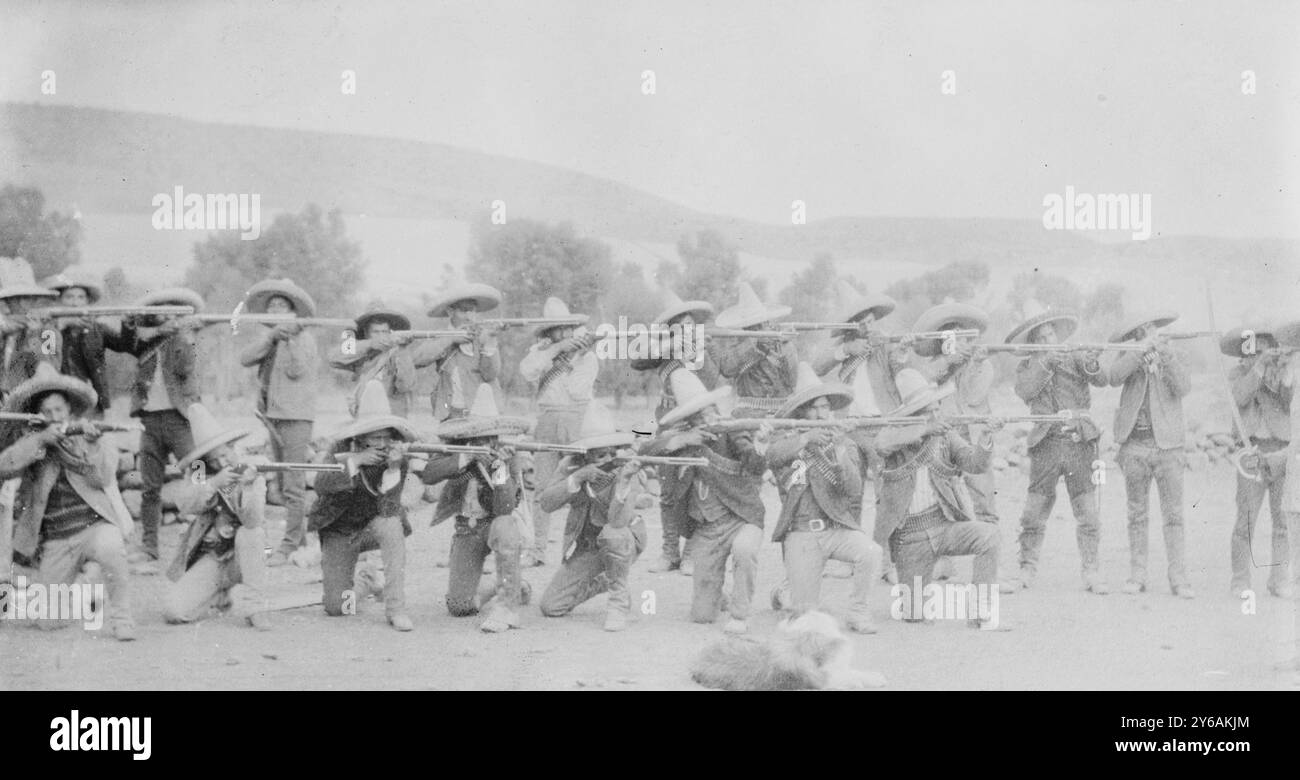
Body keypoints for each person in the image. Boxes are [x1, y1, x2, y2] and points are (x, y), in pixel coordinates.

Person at [0, 364, 135, 640]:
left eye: (58, 410)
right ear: (37, 415)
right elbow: (6, 465)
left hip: (93, 529)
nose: (53, 416)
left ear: (70, 411)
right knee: (50, 621)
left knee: (110, 546)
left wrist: (93, 445)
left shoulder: (89, 435)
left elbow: (102, 478)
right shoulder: (32, 442)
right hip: (57, 540)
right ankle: (87, 581)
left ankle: (122, 618)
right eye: (46, 412)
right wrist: (40, 439)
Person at [872, 368, 1006, 631]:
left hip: (943, 525)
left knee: (989, 536)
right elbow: (881, 444)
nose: (935, 415)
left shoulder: (944, 436)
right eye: (926, 411)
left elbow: (973, 463)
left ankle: (982, 612)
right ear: (911, 415)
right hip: (910, 537)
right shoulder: (895, 435)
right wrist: (924, 430)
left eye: (935, 409)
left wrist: (986, 438)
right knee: (913, 613)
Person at [641, 370, 769, 634]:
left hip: (741, 518)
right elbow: (644, 452)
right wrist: (681, 440)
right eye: (699, 417)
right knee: (701, 616)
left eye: (709, 412)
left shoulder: (732, 432)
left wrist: (760, 445)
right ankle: (716, 592)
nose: (708, 419)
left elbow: (755, 465)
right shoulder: (684, 441)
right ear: (689, 422)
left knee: (744, 551)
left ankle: (740, 613)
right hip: (707, 530)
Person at [1000, 307, 1110, 595]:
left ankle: (1091, 572)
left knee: (1087, 512)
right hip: (1045, 445)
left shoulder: (1074, 355)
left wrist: (1092, 362)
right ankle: (1026, 568)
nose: (1048, 339)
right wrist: (1046, 363)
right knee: (1033, 513)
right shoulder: (1027, 368)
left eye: (1051, 334)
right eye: (1042, 337)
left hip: (1079, 442)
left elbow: (1101, 379)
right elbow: (1025, 392)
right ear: (1034, 343)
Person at [765, 363, 882, 633]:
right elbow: (772, 455)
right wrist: (807, 438)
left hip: (836, 529)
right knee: (807, 619)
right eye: (813, 407)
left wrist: (839, 448)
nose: (820, 414)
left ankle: (858, 611)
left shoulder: (843, 442)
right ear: (802, 412)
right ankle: (785, 592)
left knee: (871, 553)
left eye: (824, 407)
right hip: (802, 534)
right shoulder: (789, 441)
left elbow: (852, 489)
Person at [419, 383, 531, 633]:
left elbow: (505, 507)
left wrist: (501, 468)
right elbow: (428, 475)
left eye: (492, 437)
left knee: (505, 525)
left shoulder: (507, 459)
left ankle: (507, 606)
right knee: (459, 605)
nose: (488, 443)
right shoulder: (455, 451)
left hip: (494, 524)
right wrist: (465, 458)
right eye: (482, 438)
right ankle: (508, 584)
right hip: (466, 530)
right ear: (469, 437)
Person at [810, 290, 905, 582]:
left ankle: (887, 561)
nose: (868, 326)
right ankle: (850, 557)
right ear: (852, 326)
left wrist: (897, 350)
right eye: (861, 322)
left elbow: (901, 368)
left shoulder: (885, 344)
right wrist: (846, 350)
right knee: (849, 493)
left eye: (871, 320)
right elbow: (816, 366)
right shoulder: (847, 348)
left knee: (885, 497)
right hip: (850, 427)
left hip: (880, 427)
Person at [309, 380, 418, 632]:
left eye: (385, 436)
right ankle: (366, 582)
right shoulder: (340, 449)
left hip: (372, 525)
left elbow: (389, 507)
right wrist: (356, 461)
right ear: (361, 436)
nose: (381, 443)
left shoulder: (396, 457)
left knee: (392, 526)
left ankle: (396, 608)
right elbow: (321, 484)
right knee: (338, 607)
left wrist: (392, 469)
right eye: (374, 437)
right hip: (339, 530)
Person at [537, 402, 652, 631]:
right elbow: (546, 503)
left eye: (613, 452)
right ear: (585, 456)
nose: (608, 458)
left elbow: (618, 522)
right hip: (588, 547)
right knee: (551, 606)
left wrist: (625, 481)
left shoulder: (626, 470)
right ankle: (605, 580)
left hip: (623, 539)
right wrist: (577, 478)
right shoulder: (570, 466)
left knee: (613, 533)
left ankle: (618, 604)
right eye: (600, 455)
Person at [1107, 311, 1195, 598]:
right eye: (1140, 331)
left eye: (1150, 330)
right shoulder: (1129, 354)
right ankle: (1138, 574)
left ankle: (1179, 578)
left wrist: (1165, 355)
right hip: (1134, 444)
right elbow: (1113, 376)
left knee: (1174, 516)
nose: (1146, 335)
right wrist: (1139, 351)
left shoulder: (1172, 353)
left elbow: (1183, 387)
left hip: (1168, 446)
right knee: (1136, 514)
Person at [633, 291, 720, 576]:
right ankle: (669, 551)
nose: (686, 329)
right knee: (669, 488)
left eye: (689, 324)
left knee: (700, 488)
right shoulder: (664, 352)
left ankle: (692, 551)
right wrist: (674, 342)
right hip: (670, 423)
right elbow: (637, 358)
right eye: (678, 325)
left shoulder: (706, 350)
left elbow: (712, 381)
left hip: (701, 420)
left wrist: (699, 348)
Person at [162, 403, 272, 629]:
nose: (221, 462)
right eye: (213, 460)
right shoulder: (202, 475)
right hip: (213, 558)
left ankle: (255, 607)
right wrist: (215, 482)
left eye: (224, 453)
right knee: (174, 610)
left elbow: (252, 522)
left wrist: (250, 488)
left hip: (243, 557)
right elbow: (186, 504)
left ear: (232, 447)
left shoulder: (248, 471)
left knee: (251, 534)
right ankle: (219, 596)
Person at [238, 278, 319, 566]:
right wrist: (272, 337)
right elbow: (245, 358)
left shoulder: (304, 339)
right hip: (273, 417)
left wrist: (291, 339)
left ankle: (288, 544)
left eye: (281, 306)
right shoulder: (269, 341)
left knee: (294, 485)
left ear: (293, 312)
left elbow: (297, 370)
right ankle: (300, 541)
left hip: (295, 417)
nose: (275, 311)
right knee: (285, 483)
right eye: (271, 307)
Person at [124, 287, 204, 568]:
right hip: (149, 421)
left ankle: (203, 540)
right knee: (150, 487)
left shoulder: (185, 340)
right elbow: (129, 338)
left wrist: (181, 335)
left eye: (174, 310)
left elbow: (185, 369)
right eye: (163, 311)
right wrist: (159, 331)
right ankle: (149, 547)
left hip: (178, 419)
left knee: (198, 474)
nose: (168, 315)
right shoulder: (146, 341)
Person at [517, 297, 598, 567]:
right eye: (557, 330)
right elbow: (527, 371)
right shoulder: (540, 354)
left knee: (581, 485)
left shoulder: (587, 357)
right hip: (547, 421)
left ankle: (580, 549)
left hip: (577, 421)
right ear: (548, 332)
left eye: (567, 328)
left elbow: (577, 391)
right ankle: (537, 550)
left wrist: (577, 356)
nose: (563, 333)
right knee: (542, 489)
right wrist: (556, 350)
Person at [1222, 324, 1292, 598]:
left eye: (1264, 350)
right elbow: (1240, 396)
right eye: (1253, 350)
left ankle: (1279, 580)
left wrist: (1284, 371)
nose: (1258, 354)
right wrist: (1259, 369)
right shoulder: (1236, 374)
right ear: (1244, 353)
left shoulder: (1283, 373)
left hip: (1280, 453)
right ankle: (1240, 581)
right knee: (1245, 522)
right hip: (1251, 455)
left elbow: (1290, 402)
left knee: (1283, 523)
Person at [39, 270, 141, 418]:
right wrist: (63, 324)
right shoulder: (48, 329)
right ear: (60, 301)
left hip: (90, 403)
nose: (75, 303)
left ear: (87, 302)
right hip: (57, 402)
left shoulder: (97, 329)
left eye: (81, 297)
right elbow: (45, 356)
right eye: (69, 297)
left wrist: (128, 324)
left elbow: (126, 346)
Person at [411, 283, 503, 421]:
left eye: (472, 311)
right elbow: (416, 360)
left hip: (483, 412)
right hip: (450, 413)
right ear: (450, 312)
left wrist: (489, 342)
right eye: (463, 311)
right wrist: (451, 339)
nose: (469, 316)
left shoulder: (484, 336)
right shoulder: (442, 335)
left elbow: (490, 375)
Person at [714, 282, 798, 418]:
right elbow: (727, 368)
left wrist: (784, 347)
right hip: (749, 412)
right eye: (752, 327)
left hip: (782, 411)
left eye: (763, 324)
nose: (760, 328)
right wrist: (756, 344)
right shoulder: (737, 345)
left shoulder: (783, 344)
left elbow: (792, 381)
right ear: (744, 328)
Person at [330, 305, 418, 418]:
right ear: (367, 334)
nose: (381, 336)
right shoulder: (362, 355)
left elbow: (406, 385)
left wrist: (403, 349)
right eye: (376, 332)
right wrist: (370, 344)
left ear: (390, 333)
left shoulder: (397, 354)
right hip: (364, 416)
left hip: (392, 419)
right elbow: (333, 358)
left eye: (384, 332)